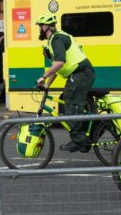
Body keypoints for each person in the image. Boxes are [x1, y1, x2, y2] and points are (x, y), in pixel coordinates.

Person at [35, 13, 95, 153]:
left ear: (45, 27)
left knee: (70, 102)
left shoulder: (57, 39)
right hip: (80, 73)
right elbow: (57, 67)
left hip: (81, 73)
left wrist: (43, 77)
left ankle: (79, 141)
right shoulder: (55, 39)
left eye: (40, 27)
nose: (39, 30)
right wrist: (47, 85)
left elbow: (59, 63)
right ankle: (85, 134)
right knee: (72, 102)